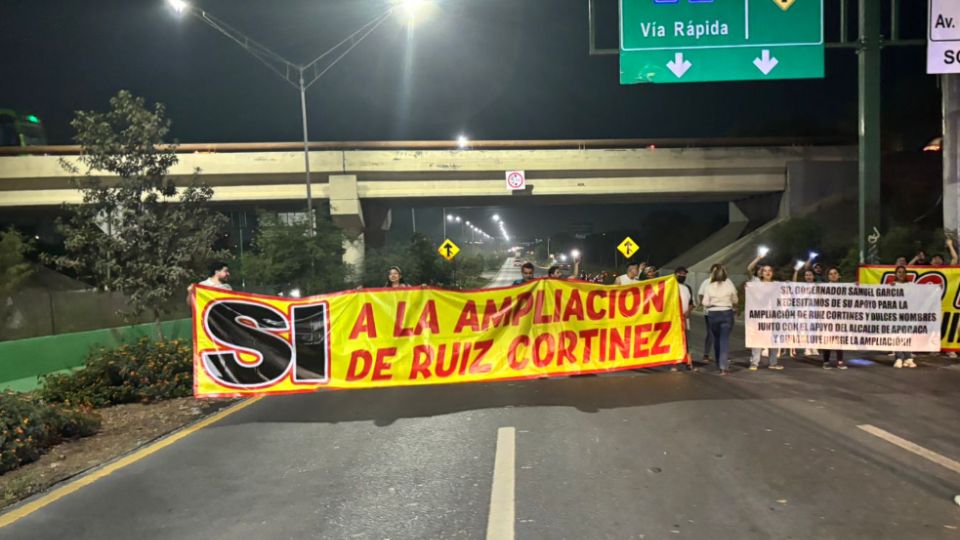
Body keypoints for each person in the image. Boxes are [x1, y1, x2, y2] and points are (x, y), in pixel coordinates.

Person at [701, 264, 738, 375]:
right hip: (726, 312)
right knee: (724, 339)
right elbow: (735, 300)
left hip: (713, 313)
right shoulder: (729, 286)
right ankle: (723, 366)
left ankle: (718, 362)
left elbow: (705, 302)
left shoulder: (709, 287)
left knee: (716, 339)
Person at [747, 263, 784, 371]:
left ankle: (773, 362)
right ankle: (754, 362)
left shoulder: (777, 284)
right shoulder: (756, 283)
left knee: (773, 340)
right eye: (765, 271)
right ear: (761, 273)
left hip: (774, 316)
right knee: (757, 339)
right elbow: (749, 269)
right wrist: (759, 258)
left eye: (770, 270)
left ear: (772, 273)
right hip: (759, 317)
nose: (768, 272)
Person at [698, 263, 726, 364]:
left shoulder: (724, 282)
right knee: (711, 333)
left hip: (722, 311)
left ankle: (721, 356)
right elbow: (701, 294)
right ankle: (706, 354)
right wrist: (704, 304)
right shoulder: (706, 282)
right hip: (709, 312)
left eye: (718, 270)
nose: (716, 272)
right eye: (714, 270)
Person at [821, 266, 848, 370]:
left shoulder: (845, 288)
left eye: (835, 273)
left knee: (839, 339)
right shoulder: (824, 288)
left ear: (839, 275)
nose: (833, 275)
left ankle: (840, 361)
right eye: (831, 274)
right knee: (827, 339)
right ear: (828, 277)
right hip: (827, 317)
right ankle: (826, 361)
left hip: (839, 318)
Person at [891, 265, 917, 369]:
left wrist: (937, 287)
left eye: (903, 272)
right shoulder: (892, 285)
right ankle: (898, 358)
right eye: (899, 272)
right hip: (896, 315)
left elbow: (924, 291)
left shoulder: (911, 285)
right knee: (897, 336)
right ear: (895, 274)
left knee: (907, 336)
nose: (901, 274)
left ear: (906, 274)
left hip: (907, 315)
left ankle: (908, 357)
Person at [671, 266, 697, 372]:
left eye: (684, 274)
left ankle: (689, 363)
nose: (682, 275)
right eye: (680, 273)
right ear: (675, 274)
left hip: (685, 319)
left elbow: (692, 303)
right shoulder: (670, 287)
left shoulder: (688, 288)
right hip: (673, 319)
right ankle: (675, 364)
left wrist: (688, 312)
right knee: (675, 341)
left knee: (687, 342)